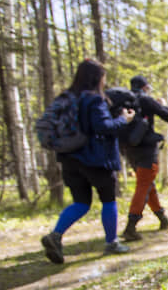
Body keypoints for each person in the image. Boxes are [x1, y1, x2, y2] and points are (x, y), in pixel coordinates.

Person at [41, 59, 136, 264]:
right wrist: (124, 120)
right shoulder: (94, 100)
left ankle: (55, 235)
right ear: (97, 78)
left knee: (81, 203)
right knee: (108, 200)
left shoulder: (67, 98)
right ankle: (111, 242)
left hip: (69, 159)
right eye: (103, 76)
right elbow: (104, 127)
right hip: (96, 159)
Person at [120, 74, 168, 241]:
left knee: (147, 184)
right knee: (143, 185)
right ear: (145, 87)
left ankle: (162, 218)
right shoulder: (145, 99)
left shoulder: (124, 101)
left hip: (129, 151)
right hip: (146, 151)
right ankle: (131, 227)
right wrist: (163, 106)